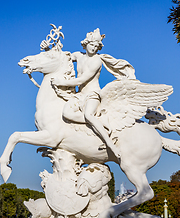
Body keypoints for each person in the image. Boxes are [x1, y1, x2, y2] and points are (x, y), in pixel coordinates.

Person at [52, 28, 135, 159]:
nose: (94, 48)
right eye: (91, 45)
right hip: (80, 94)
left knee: (88, 115)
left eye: (96, 46)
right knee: (66, 113)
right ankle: (92, 128)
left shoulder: (96, 61)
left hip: (93, 94)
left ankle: (110, 143)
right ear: (85, 44)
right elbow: (63, 58)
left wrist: (61, 82)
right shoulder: (79, 56)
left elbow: (82, 79)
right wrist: (51, 48)